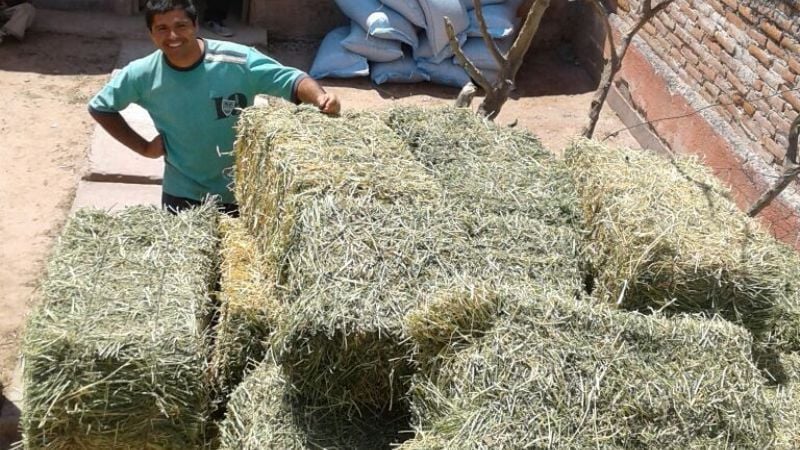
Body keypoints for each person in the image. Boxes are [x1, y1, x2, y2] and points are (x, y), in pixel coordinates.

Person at [88, 0, 340, 216]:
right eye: (162, 29)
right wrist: (143, 148)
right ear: (151, 34)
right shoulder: (141, 74)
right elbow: (101, 107)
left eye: (181, 26)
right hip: (182, 191)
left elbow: (293, 80)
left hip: (240, 190)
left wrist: (321, 99)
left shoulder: (238, 61)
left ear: (196, 26)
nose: (172, 36)